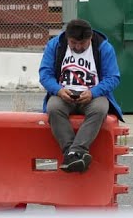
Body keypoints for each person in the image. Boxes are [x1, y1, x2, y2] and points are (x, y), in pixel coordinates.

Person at [38, 17, 123, 172]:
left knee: (100, 108)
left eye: (82, 44)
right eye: (73, 43)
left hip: (93, 96)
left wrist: (93, 92)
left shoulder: (103, 47)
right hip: (63, 94)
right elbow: (45, 75)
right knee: (54, 107)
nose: (77, 47)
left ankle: (75, 152)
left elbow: (113, 77)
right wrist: (58, 90)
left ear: (90, 38)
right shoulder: (55, 45)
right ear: (67, 38)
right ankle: (73, 154)